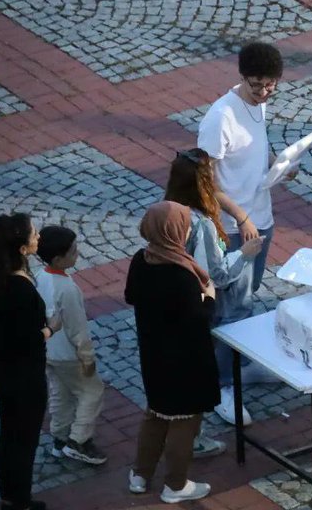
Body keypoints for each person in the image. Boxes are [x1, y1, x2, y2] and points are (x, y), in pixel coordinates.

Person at [125, 201, 219, 504]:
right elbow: (199, 318)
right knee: (184, 420)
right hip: (184, 361)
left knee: (155, 413)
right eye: (186, 224)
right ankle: (175, 484)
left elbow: (130, 295)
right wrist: (210, 297)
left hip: (154, 355)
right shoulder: (181, 275)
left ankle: (140, 474)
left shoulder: (142, 259)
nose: (189, 228)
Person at [165, 147, 259, 436]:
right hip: (202, 300)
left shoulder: (170, 207)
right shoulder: (201, 223)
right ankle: (224, 386)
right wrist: (245, 253)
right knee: (226, 328)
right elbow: (216, 275)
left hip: (178, 293)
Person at [197, 40, 289, 295]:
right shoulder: (221, 118)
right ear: (243, 77)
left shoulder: (260, 102)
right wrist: (241, 218)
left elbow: (255, 144)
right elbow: (204, 181)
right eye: (256, 85)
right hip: (232, 227)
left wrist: (280, 163)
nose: (263, 92)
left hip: (261, 216)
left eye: (270, 85)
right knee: (233, 297)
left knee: (252, 286)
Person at [0, 213, 59, 510]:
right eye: (34, 235)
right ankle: (19, 500)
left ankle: (10, 496)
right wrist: (50, 328)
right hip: (24, 374)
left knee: (9, 435)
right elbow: (28, 337)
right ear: (21, 249)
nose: (38, 237)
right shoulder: (19, 289)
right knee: (24, 438)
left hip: (2, 370)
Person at [35, 226, 107, 466]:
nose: (78, 253)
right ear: (58, 258)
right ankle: (78, 440)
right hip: (69, 355)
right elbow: (78, 329)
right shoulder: (68, 289)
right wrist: (87, 357)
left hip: (48, 351)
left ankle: (59, 438)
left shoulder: (40, 277)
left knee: (60, 393)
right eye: (73, 251)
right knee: (91, 391)